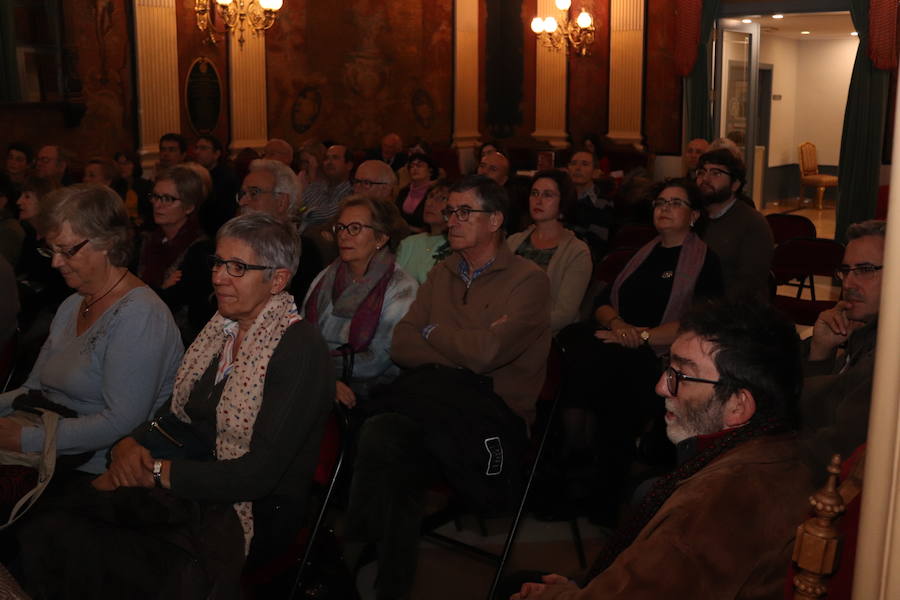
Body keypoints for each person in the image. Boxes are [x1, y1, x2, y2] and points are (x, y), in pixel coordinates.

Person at [17, 212, 334, 598]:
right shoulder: (222, 328)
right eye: (218, 263)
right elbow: (179, 416)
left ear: (278, 280)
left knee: (87, 544)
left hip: (250, 514)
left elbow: (259, 476)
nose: (218, 277)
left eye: (238, 267)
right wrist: (133, 443)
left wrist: (154, 471)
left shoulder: (299, 349)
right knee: (54, 519)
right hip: (191, 482)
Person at [511, 301, 812, 600]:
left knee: (514, 587)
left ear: (737, 405)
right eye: (668, 368)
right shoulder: (778, 449)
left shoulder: (714, 506)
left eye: (681, 375)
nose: (661, 387)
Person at [345, 175, 551, 599]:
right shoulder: (443, 272)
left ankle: (357, 548)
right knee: (389, 440)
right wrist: (462, 342)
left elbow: (487, 354)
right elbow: (402, 344)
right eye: (449, 210)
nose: (450, 219)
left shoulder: (528, 280)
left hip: (493, 421)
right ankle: (385, 580)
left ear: (495, 220)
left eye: (463, 212)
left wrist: (434, 331)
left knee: (388, 442)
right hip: (436, 407)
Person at [555, 178, 723, 523]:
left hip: (665, 357)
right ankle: (578, 463)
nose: (664, 208)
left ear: (693, 216)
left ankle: (584, 466)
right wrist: (619, 328)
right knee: (575, 341)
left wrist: (641, 336)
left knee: (611, 375)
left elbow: (699, 323)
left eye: (675, 203)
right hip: (620, 343)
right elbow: (603, 302)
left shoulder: (704, 261)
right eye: (660, 202)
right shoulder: (642, 253)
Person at [0, 184, 183, 476]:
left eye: (67, 250)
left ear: (107, 242)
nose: (56, 262)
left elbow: (121, 423)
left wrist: (24, 439)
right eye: (52, 250)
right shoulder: (73, 304)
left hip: (94, 469)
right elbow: (34, 388)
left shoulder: (140, 314)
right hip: (47, 443)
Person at [302, 195, 418, 407]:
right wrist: (322, 377)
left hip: (373, 394)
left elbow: (375, 361)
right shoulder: (327, 276)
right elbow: (301, 336)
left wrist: (318, 372)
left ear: (381, 238)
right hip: (318, 379)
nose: (344, 236)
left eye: (355, 228)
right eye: (341, 228)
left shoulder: (402, 288)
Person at [799, 220, 884, 479]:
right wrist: (820, 350)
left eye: (865, 270)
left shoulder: (887, 357)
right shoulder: (860, 329)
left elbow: (830, 448)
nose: (848, 283)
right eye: (845, 271)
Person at [138, 164, 215, 343]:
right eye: (155, 196)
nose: (157, 204)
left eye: (167, 199)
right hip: (144, 330)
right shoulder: (147, 240)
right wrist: (161, 289)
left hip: (181, 340)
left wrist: (154, 291)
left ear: (189, 207)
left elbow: (178, 302)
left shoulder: (201, 249)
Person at [507, 170, 591, 333]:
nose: (538, 200)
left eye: (547, 195)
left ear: (563, 203)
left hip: (545, 334)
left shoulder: (577, 251)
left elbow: (564, 314)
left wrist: (516, 325)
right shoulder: (513, 241)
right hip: (504, 324)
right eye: (534, 193)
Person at [695, 148, 773, 304]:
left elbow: (748, 286)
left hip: (734, 315)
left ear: (735, 184)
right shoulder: (693, 216)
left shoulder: (753, 223)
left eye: (715, 173)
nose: (705, 179)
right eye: (702, 172)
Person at [396, 179, 452, 283]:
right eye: (430, 196)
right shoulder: (409, 243)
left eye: (442, 198)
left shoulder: (456, 246)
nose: (430, 203)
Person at [194, 134, 239, 237]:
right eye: (196, 148)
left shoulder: (226, 178)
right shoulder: (198, 174)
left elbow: (220, 213)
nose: (197, 152)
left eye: (203, 148)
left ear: (217, 154)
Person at [301, 144, 354, 227]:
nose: (329, 162)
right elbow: (298, 207)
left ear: (349, 165)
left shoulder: (351, 193)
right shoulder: (316, 187)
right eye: (326, 158)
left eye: (335, 158)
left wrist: (305, 212)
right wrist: (303, 210)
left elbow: (330, 215)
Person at [394, 152, 438, 230]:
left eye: (419, 166)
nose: (414, 168)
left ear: (430, 171)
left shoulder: (434, 193)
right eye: (412, 166)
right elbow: (395, 216)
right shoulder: (404, 191)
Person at [113, 149, 154, 228]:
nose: (122, 167)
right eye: (119, 164)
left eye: (126, 163)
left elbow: (149, 212)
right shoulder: (116, 186)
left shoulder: (146, 186)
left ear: (135, 165)